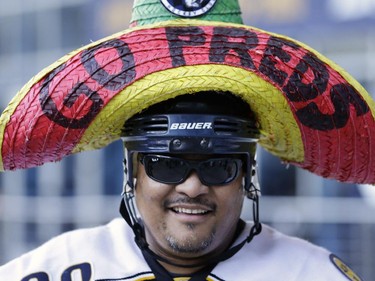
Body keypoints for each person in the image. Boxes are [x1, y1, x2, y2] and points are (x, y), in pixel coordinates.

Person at [0, 0, 372, 280]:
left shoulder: (313, 274)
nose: (192, 187)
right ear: (132, 171)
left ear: (248, 175)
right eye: (167, 164)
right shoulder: (45, 271)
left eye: (218, 166)